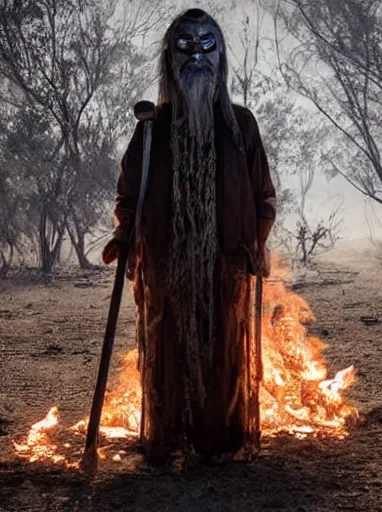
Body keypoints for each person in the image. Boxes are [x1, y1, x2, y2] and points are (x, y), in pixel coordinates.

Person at [101, 8, 276, 464]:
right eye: (185, 46)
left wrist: (257, 242)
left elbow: (263, 196)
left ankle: (218, 442)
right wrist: (124, 237)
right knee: (168, 350)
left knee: (221, 353)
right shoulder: (151, 128)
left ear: (221, 58)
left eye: (206, 45)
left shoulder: (241, 126)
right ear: (168, 59)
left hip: (226, 266)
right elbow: (130, 194)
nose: (196, 55)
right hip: (168, 265)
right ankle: (167, 441)